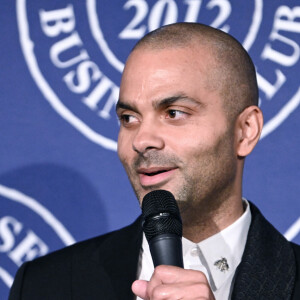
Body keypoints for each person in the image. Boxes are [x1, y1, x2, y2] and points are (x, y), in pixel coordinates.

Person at [9, 23, 300, 300]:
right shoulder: (45, 285)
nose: (141, 140)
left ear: (245, 130)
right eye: (129, 118)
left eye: (173, 113)